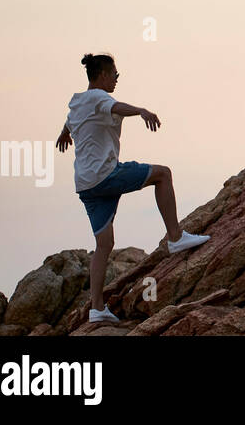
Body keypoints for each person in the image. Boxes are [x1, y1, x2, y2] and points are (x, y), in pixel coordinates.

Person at [56, 53, 209, 324]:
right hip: (105, 175)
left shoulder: (78, 101)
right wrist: (140, 111)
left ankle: (97, 308)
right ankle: (176, 238)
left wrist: (64, 133)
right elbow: (117, 108)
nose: (116, 79)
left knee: (104, 244)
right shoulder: (99, 98)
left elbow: (70, 121)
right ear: (102, 75)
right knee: (163, 174)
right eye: (115, 75)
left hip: (85, 185)